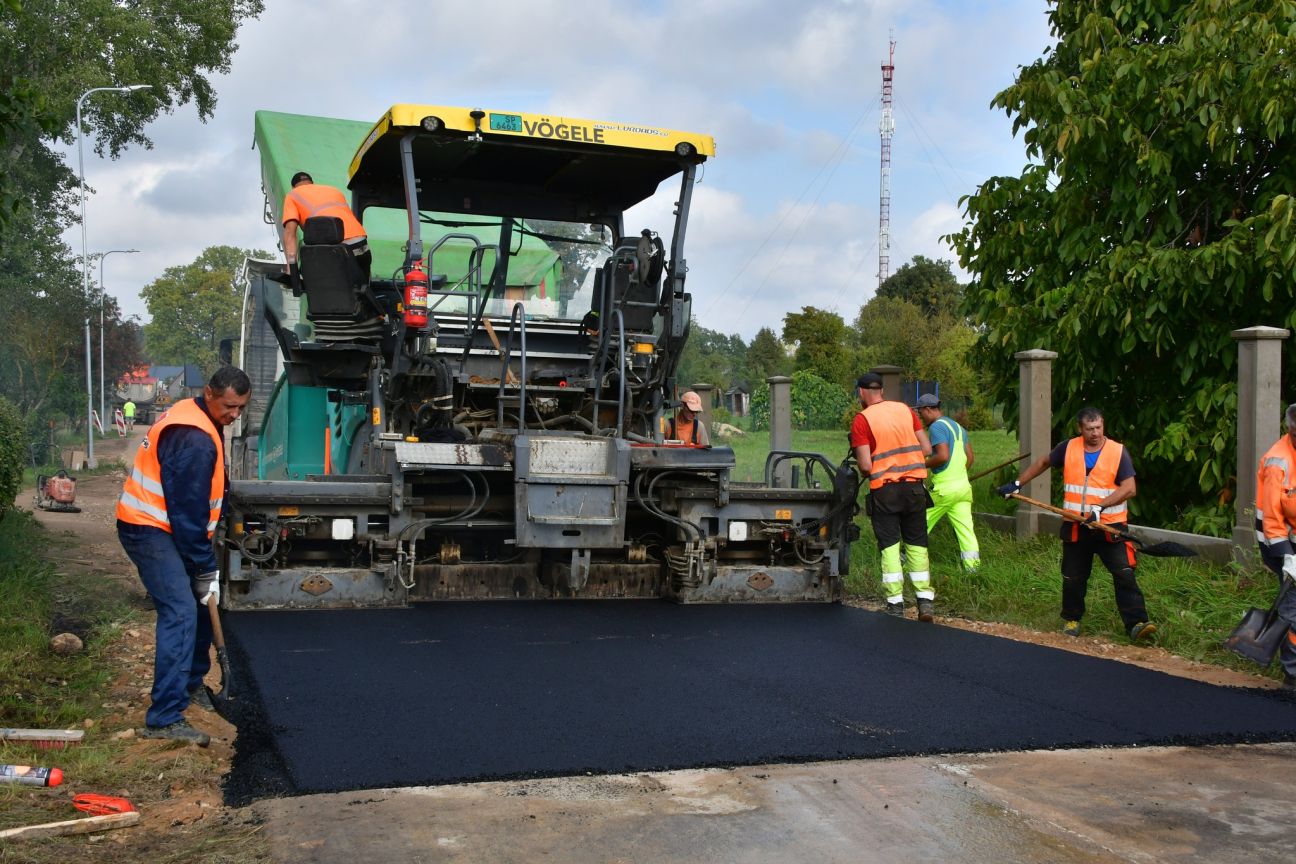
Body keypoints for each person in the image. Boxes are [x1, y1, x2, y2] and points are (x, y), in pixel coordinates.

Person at [116, 366, 252, 745]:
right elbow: (186, 511)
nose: (234, 415)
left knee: (203, 601)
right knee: (180, 611)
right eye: (230, 406)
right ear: (209, 393)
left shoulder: (203, 418)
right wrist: (204, 564)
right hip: (149, 529)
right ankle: (163, 719)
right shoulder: (193, 438)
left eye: (241, 408)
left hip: (173, 528)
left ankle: (192, 684)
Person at [997, 406, 1156, 642]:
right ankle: (1072, 619)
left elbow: (1129, 488)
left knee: (1124, 574)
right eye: (1090, 429)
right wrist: (1017, 484)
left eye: (1099, 427)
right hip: (1076, 525)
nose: (1096, 433)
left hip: (1110, 527)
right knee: (1073, 577)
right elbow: (1042, 462)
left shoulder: (1117, 452)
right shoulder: (1068, 447)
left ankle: (1137, 623)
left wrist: (1099, 507)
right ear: (1080, 429)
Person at [851, 372, 935, 620]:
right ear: (882, 391)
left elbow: (866, 466)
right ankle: (925, 602)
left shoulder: (862, 419)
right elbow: (927, 449)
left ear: (861, 393)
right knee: (917, 543)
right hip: (914, 489)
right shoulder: (905, 411)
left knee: (889, 546)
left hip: (885, 491)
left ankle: (896, 604)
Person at [1252, 403, 1296, 690]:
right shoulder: (1277, 461)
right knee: (1293, 606)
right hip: (1278, 543)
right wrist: (1288, 558)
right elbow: (1271, 519)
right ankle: (1292, 674)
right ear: (1291, 429)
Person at [916, 394, 980, 572]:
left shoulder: (937, 427)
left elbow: (943, 456)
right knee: (966, 531)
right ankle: (972, 570)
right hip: (963, 488)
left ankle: (910, 565)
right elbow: (970, 458)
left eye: (921, 413)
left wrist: (921, 465)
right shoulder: (958, 427)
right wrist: (958, 474)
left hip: (944, 489)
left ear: (928, 410)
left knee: (919, 524)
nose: (921, 418)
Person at [281, 171, 370, 285]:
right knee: (362, 292)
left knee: (329, 291)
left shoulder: (292, 195)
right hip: (361, 244)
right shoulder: (333, 190)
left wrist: (291, 271)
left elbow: (290, 233)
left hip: (336, 248)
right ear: (312, 183)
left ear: (293, 187)